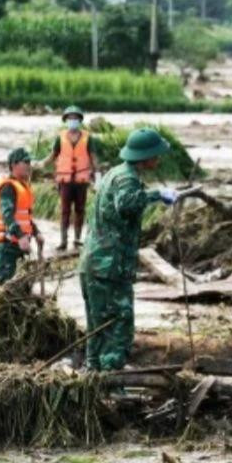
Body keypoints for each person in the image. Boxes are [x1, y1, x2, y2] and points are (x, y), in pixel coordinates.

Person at [78, 128, 178, 371]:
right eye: (156, 154)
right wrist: (156, 195)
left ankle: (94, 374)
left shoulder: (116, 172)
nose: (159, 159)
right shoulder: (127, 178)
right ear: (146, 156)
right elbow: (125, 203)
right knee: (119, 326)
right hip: (109, 267)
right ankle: (111, 379)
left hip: (94, 263)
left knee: (98, 325)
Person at [45, 105, 99, 251]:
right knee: (65, 211)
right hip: (65, 181)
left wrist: (97, 174)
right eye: (70, 118)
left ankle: (77, 239)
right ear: (66, 120)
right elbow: (53, 155)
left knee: (80, 210)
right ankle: (63, 240)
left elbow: (93, 157)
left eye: (75, 118)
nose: (73, 121)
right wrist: (41, 164)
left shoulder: (88, 138)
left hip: (81, 180)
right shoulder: (60, 137)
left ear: (80, 120)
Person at [0, 148, 43, 285]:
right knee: (7, 287)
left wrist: (36, 233)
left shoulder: (21, 186)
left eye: (29, 162)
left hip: (18, 245)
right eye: (25, 162)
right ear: (13, 165)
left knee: (21, 287)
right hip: (6, 247)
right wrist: (20, 236)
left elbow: (25, 217)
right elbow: (7, 215)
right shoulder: (8, 187)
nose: (28, 165)